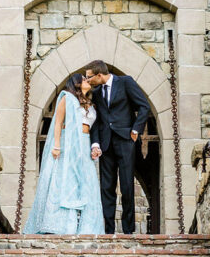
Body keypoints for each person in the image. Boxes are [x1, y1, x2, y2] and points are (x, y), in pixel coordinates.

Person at [23, 73, 104, 236]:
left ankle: (87, 227)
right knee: (67, 180)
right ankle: (63, 224)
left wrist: (95, 147)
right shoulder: (66, 98)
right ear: (76, 83)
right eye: (83, 79)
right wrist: (57, 145)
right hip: (69, 143)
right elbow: (58, 123)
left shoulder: (91, 104)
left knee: (87, 182)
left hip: (85, 143)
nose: (87, 81)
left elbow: (93, 128)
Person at [86, 60, 151, 235]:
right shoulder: (97, 92)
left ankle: (128, 230)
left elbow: (144, 106)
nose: (88, 80)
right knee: (106, 187)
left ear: (99, 75)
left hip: (125, 141)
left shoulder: (126, 82)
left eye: (89, 77)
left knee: (127, 186)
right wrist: (96, 143)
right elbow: (98, 120)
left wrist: (136, 129)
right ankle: (108, 231)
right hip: (106, 144)